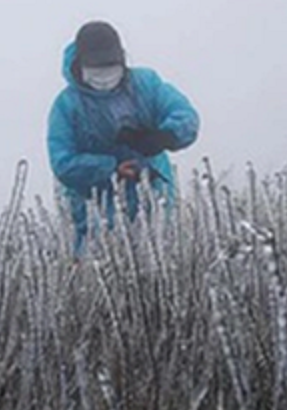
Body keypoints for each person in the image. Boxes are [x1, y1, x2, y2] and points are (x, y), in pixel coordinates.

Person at [46, 20, 200, 256]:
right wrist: (111, 168)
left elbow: (186, 116)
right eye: (96, 71)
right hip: (95, 215)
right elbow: (63, 163)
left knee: (166, 266)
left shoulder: (146, 85)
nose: (104, 78)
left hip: (156, 201)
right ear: (79, 66)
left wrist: (164, 136)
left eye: (110, 69)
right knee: (103, 272)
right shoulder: (66, 106)